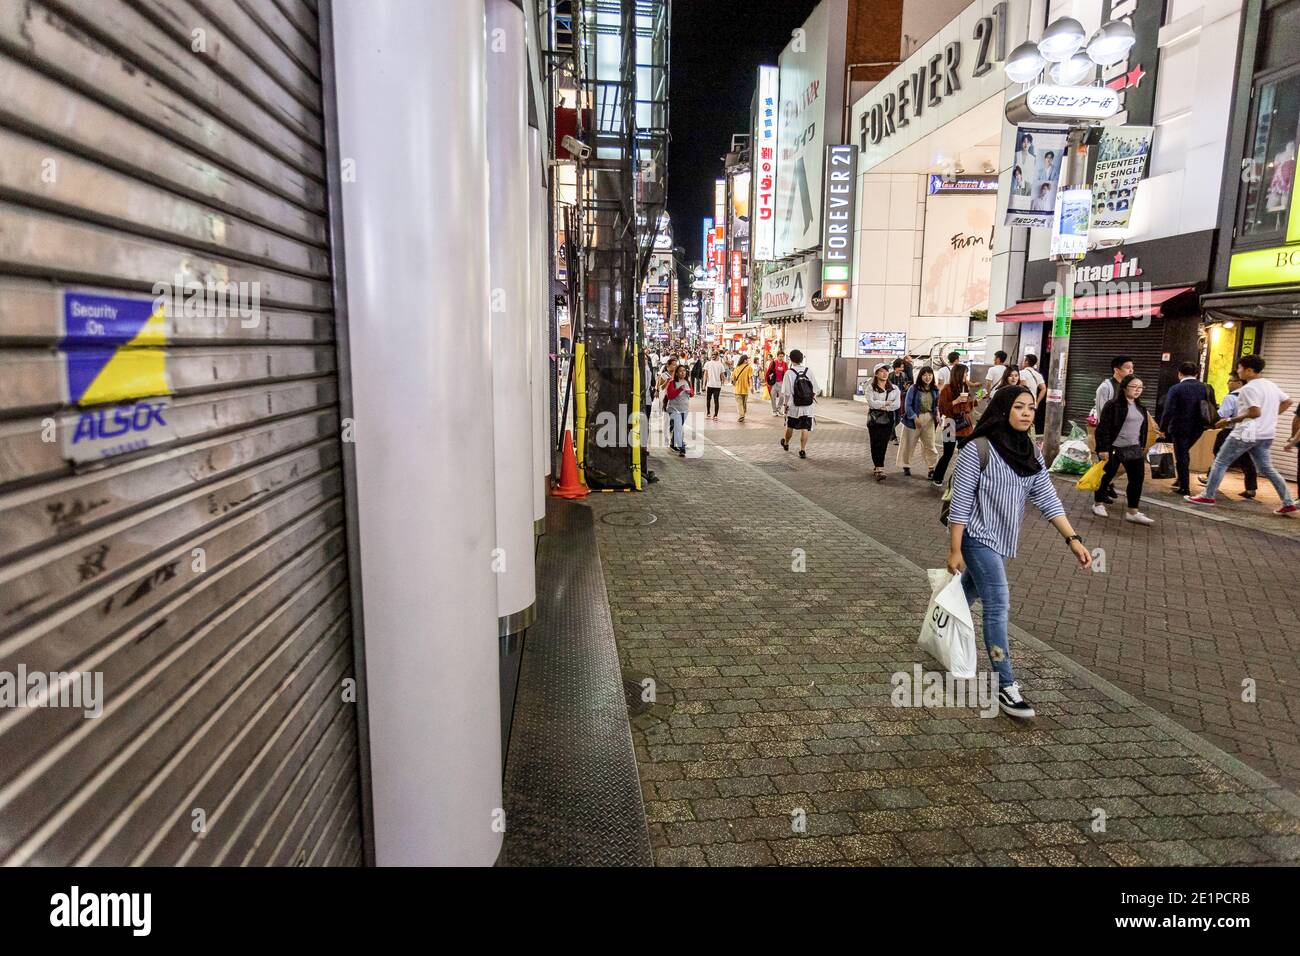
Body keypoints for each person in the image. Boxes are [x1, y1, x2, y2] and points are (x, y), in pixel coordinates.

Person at [947, 385, 1092, 719]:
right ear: (1002, 410)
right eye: (1019, 407)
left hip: (1002, 539)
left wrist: (1073, 539)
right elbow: (961, 501)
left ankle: (940, 626)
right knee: (998, 604)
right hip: (976, 537)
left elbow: (1046, 497)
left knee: (965, 595)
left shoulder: (1030, 451)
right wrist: (955, 549)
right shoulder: (977, 449)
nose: (1027, 413)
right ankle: (1005, 685)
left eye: (1030, 408)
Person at [1188, 354, 1298, 513]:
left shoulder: (1248, 389)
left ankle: (1208, 495)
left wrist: (1229, 421)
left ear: (1249, 370)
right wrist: (1272, 415)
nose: (1238, 371)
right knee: (1267, 468)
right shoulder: (1270, 385)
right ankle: (1288, 502)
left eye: (1240, 368)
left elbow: (1254, 412)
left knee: (1221, 462)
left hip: (1246, 433)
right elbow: (1288, 401)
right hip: (1266, 434)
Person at [1092, 375, 1156, 524]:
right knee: (1107, 476)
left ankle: (1133, 511)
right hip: (1115, 448)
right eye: (1134, 386)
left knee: (1137, 479)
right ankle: (1098, 503)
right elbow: (1103, 428)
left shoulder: (1141, 407)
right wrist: (1102, 449)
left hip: (1134, 449)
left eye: (1140, 387)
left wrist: (1142, 445)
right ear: (1125, 387)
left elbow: (1143, 428)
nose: (1138, 390)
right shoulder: (1113, 405)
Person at [1158, 361, 1212, 496]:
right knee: (1184, 453)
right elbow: (1212, 407)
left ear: (1179, 374)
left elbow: (1168, 410)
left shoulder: (1176, 389)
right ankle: (1180, 480)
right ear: (1197, 374)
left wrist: (1162, 428)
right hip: (1199, 428)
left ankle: (1184, 487)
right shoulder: (1207, 388)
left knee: (1182, 456)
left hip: (1179, 427)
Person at [1204, 375, 1258, 498]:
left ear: (1239, 382)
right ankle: (1251, 488)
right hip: (1248, 431)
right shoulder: (1252, 396)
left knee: (1219, 456)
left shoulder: (1231, 397)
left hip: (1230, 431)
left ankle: (1211, 481)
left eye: (1230, 381)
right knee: (1246, 459)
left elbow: (1223, 414)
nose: (1228, 383)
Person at [932, 363, 974, 486]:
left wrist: (978, 398)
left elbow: (969, 407)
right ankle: (937, 477)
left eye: (967, 373)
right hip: (950, 424)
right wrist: (956, 401)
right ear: (958, 374)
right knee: (947, 454)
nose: (966, 375)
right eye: (965, 373)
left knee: (964, 454)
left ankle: (962, 480)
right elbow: (943, 409)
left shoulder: (965, 387)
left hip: (965, 426)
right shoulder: (947, 388)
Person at [900, 365, 940, 478]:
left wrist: (937, 414)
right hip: (914, 419)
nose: (927, 377)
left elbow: (936, 405)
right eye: (925, 375)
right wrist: (914, 417)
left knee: (930, 444)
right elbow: (907, 405)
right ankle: (906, 465)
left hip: (929, 419)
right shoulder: (914, 388)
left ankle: (931, 468)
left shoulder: (935, 389)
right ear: (920, 376)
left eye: (930, 375)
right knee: (909, 444)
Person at [865, 363, 901, 481]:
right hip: (875, 418)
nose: (885, 373)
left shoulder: (894, 388)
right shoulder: (870, 387)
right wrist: (885, 403)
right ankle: (878, 467)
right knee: (875, 443)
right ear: (876, 374)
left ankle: (879, 467)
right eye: (881, 371)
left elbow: (897, 404)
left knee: (884, 443)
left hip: (889, 417)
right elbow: (871, 403)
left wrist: (883, 406)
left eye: (886, 371)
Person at [780, 349, 817, 459]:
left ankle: (786, 443)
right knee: (805, 427)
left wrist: (785, 405)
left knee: (790, 425)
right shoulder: (808, 371)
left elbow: (786, 392)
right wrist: (809, 398)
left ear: (791, 359)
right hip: (807, 406)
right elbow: (815, 389)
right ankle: (802, 450)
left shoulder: (789, 373)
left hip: (793, 406)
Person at [664, 363, 693, 457]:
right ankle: (682, 448)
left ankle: (673, 444)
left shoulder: (687, 382)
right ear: (676, 373)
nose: (683, 373)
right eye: (680, 371)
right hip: (673, 409)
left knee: (677, 428)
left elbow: (692, 394)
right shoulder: (672, 383)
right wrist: (679, 389)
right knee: (678, 429)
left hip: (684, 409)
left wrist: (689, 392)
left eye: (684, 371)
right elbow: (670, 396)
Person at [1019, 354, 1047, 434]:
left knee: (1022, 423)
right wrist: (1037, 402)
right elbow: (1043, 389)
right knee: (1030, 423)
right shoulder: (1037, 375)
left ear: (1026, 362)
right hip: (1032, 404)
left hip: (1023, 403)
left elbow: (1022, 387)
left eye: (1024, 360)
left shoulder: (1022, 373)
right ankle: (1031, 440)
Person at [765, 349, 789, 416]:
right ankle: (774, 411)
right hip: (774, 383)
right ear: (777, 356)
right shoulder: (773, 362)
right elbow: (768, 371)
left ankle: (778, 409)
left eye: (782, 356)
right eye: (780, 356)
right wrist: (767, 380)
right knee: (773, 397)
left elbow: (787, 373)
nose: (781, 357)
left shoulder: (785, 364)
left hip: (781, 383)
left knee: (782, 397)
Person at [703, 351, 725, 420]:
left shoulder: (707, 363)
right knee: (716, 400)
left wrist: (704, 384)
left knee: (708, 400)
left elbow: (705, 375)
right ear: (718, 356)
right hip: (717, 385)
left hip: (709, 385)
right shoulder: (720, 365)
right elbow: (722, 376)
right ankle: (715, 415)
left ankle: (708, 413)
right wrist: (723, 382)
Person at [732, 353, 754, 422]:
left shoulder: (736, 368)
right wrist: (751, 387)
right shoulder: (749, 367)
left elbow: (733, 380)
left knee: (740, 404)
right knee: (742, 404)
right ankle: (742, 415)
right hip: (745, 389)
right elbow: (750, 378)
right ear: (744, 360)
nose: (748, 361)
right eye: (747, 359)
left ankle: (742, 415)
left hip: (737, 389)